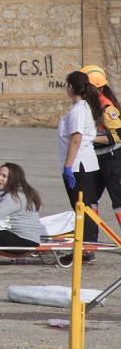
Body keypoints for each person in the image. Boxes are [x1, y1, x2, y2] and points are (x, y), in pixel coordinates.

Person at [57, 70, 102, 256]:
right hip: (84, 163)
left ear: (70, 87)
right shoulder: (83, 107)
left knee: (81, 208)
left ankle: (86, 250)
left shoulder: (78, 110)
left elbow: (76, 138)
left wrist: (68, 166)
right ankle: (86, 248)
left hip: (78, 166)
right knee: (84, 207)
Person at [79, 65, 121, 231]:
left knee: (119, 202)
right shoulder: (87, 106)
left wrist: (91, 138)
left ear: (97, 88)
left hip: (113, 160)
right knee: (88, 201)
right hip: (94, 160)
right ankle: (89, 244)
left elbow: (118, 135)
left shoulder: (106, 107)